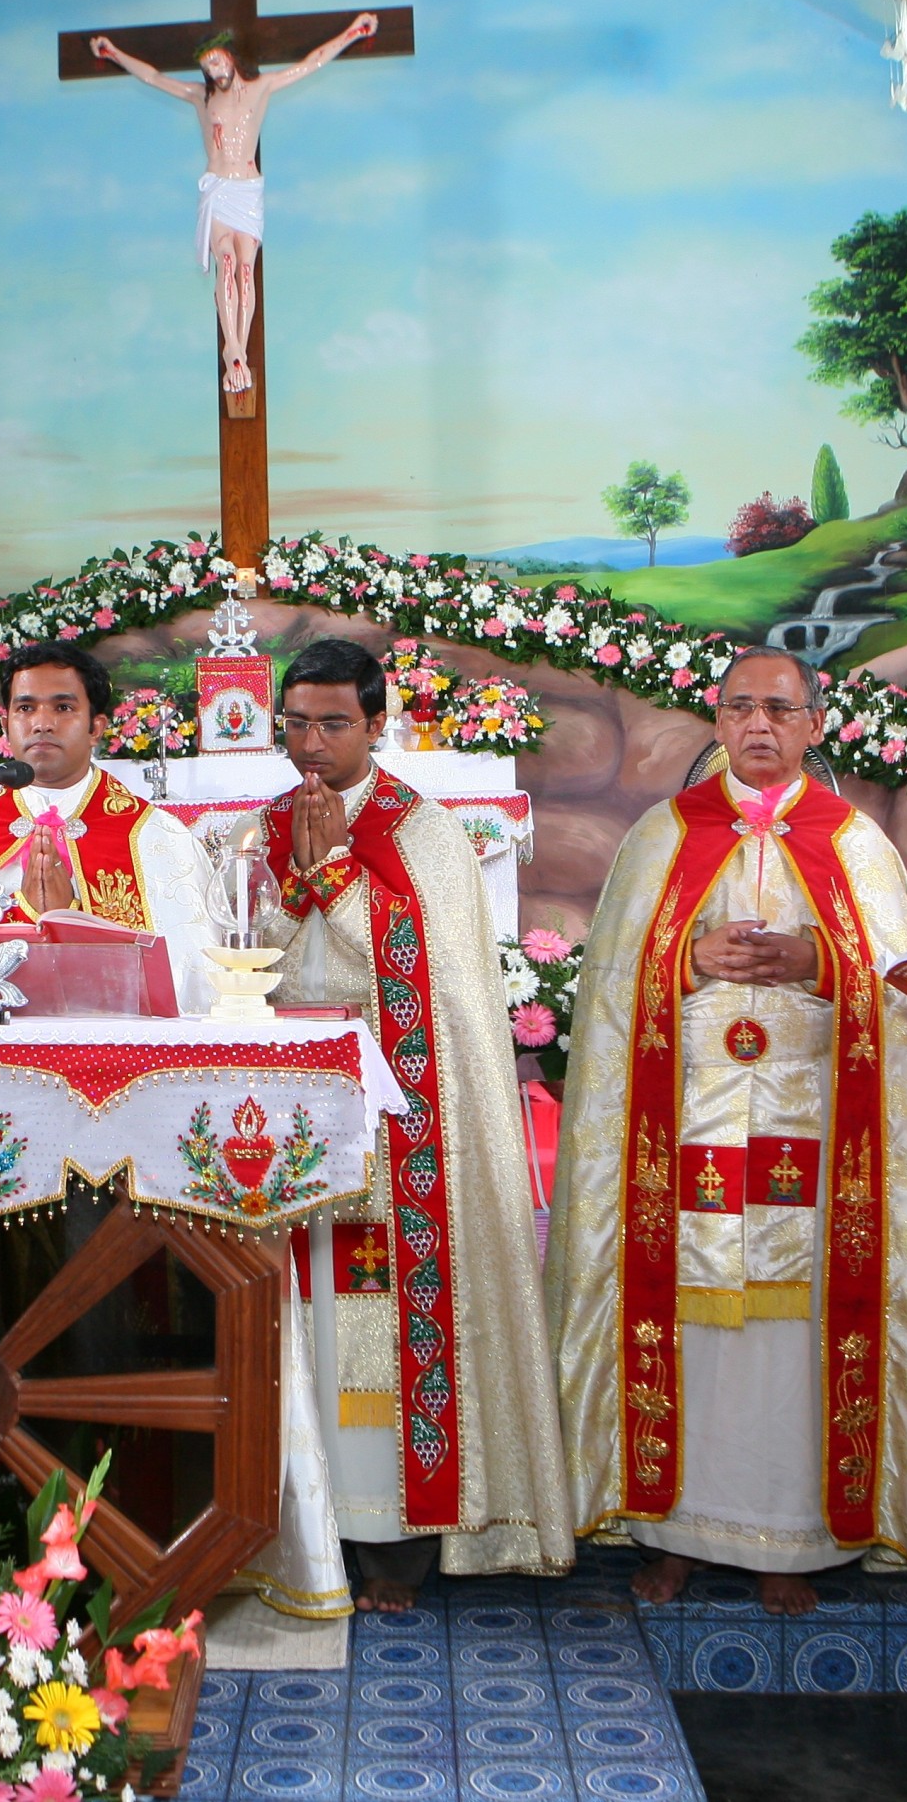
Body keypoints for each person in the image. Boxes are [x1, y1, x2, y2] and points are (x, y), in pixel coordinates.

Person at [544, 646, 907, 1614]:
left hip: (813, 1134)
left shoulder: (854, 842)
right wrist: (686, 954)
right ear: (718, 718)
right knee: (684, 1314)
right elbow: (609, 986)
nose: (758, 725)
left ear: (814, 723)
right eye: (740, 707)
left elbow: (897, 987)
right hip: (684, 1128)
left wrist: (819, 958)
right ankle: (675, 1532)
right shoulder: (662, 834)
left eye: (778, 709)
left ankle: (794, 1536)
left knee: (794, 1329)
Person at [256, 637, 575, 1610]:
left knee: (382, 1309)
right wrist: (297, 884)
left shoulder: (423, 830)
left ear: (376, 724)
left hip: (400, 1120)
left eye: (333, 724)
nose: (312, 744)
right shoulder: (260, 827)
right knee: (300, 1311)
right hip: (289, 1114)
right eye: (297, 724)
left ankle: (394, 1530)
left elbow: (429, 971)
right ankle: (296, 1516)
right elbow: (246, 949)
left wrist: (329, 875)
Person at [89, 16, 378, 398]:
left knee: (245, 269)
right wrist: (114, 53)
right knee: (225, 261)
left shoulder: (261, 88)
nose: (213, 70)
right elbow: (154, 77)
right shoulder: (202, 97)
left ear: (230, 56)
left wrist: (353, 32)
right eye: (206, 66)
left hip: (247, 191)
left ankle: (239, 346)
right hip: (218, 188)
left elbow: (311, 63)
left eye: (217, 60)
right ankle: (234, 350)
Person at [0, 640, 216, 1010]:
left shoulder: (156, 838)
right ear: (6, 725)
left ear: (95, 728)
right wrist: (27, 913)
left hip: (113, 1041)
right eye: (25, 708)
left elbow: (194, 984)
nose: (42, 723)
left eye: (63, 707)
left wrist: (68, 916)